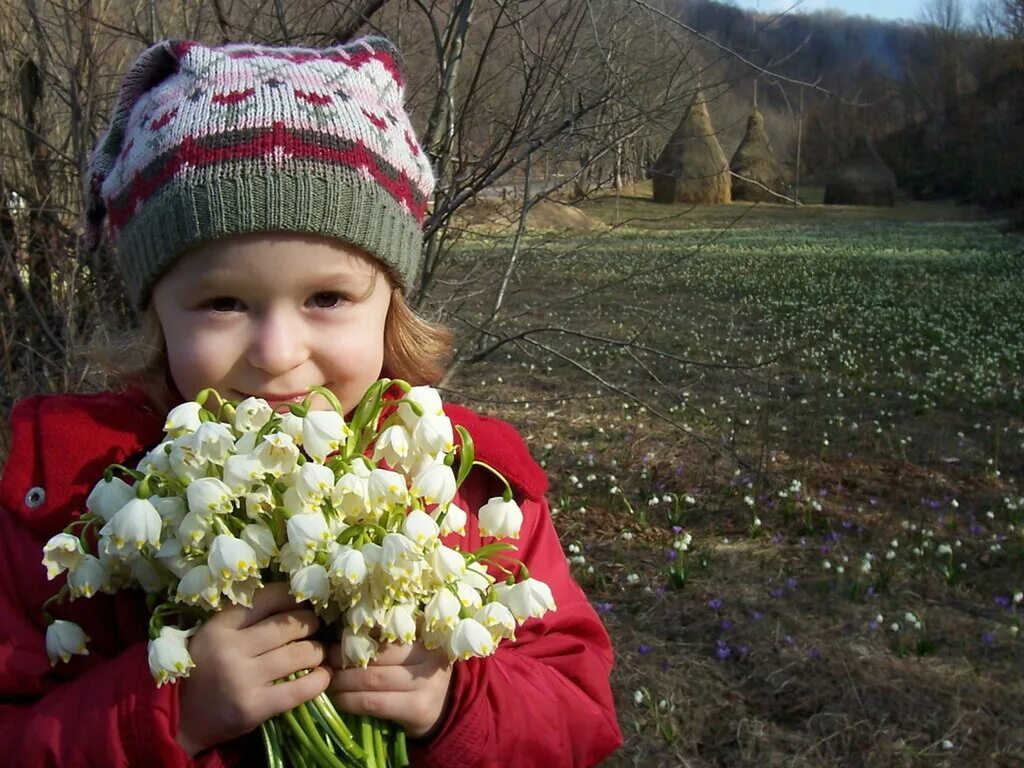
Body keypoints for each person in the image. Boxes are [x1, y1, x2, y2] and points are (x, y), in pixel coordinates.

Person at [0, 37, 622, 767]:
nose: (277, 351)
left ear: (391, 303)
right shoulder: (69, 494)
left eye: (327, 297)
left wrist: (454, 701)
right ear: (152, 314)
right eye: (222, 302)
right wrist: (172, 712)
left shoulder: (471, 485)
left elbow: (578, 710)